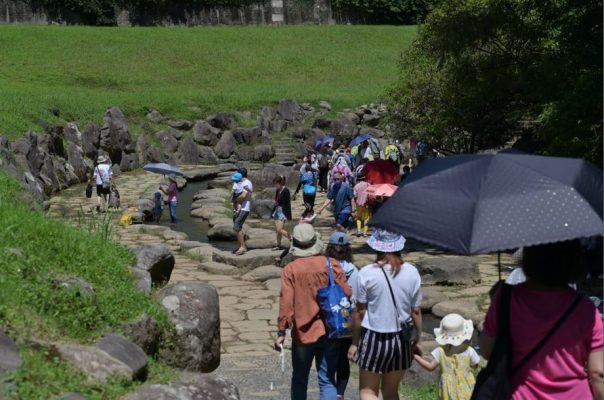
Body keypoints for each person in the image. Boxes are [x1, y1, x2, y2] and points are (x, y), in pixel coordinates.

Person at [480, 240, 604, 400]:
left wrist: (495, 304)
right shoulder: (586, 309)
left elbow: (486, 351)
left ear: (529, 259)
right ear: (574, 261)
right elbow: (598, 373)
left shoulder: (506, 300)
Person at [275, 224, 353, 400]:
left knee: (300, 379)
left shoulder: (291, 270)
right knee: (326, 380)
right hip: (330, 329)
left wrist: (281, 331)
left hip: (303, 332)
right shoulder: (331, 265)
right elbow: (347, 292)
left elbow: (286, 306)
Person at [348, 229, 423, 400]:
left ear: (378, 248)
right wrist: (418, 339)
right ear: (399, 247)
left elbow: (360, 312)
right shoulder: (412, 272)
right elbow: (416, 311)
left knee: (368, 391)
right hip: (400, 339)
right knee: (391, 392)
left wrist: (355, 343)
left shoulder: (366, 272)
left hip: (374, 337)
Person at [414, 314, 480, 400]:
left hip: (448, 391)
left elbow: (430, 367)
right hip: (467, 388)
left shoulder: (440, 351)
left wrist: (416, 356)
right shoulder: (469, 350)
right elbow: (475, 365)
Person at [325, 232, 359, 400]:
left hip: (328, 318)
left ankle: (328, 390)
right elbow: (357, 299)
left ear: (329, 248)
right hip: (346, 317)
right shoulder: (354, 271)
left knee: (328, 356)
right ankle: (340, 393)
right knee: (344, 359)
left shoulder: (324, 267)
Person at [231, 169, 253, 255]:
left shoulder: (247, 183)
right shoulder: (239, 182)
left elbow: (243, 196)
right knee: (237, 227)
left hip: (244, 208)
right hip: (239, 208)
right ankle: (241, 245)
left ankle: (243, 247)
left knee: (236, 226)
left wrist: (234, 199)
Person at [272, 175, 292, 250]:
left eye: (276, 184)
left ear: (280, 183)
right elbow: (276, 199)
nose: (275, 186)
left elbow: (287, 203)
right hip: (277, 210)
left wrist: (288, 215)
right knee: (277, 230)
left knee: (280, 229)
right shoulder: (277, 190)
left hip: (283, 211)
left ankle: (291, 238)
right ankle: (278, 245)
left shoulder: (286, 190)